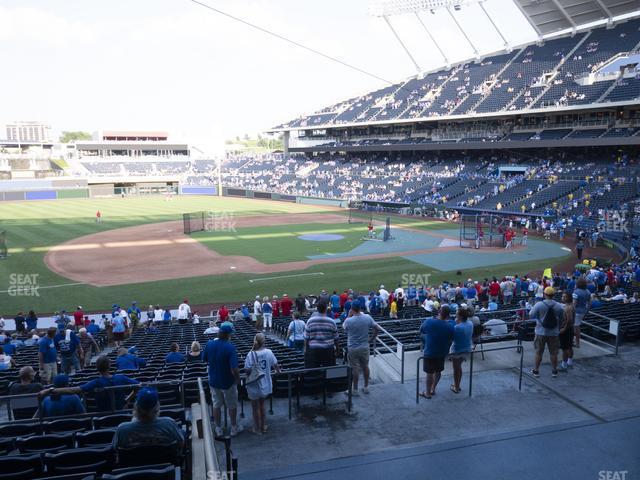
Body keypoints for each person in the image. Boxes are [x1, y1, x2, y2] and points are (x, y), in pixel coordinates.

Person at [46, 355, 139, 412]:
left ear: (97, 368)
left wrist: (50, 390)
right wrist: (127, 400)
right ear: (109, 366)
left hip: (102, 418)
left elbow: (73, 390)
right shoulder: (121, 378)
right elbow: (138, 385)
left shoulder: (95, 383)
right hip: (122, 413)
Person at [113, 387, 184, 454]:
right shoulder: (169, 423)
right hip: (167, 466)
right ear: (157, 407)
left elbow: (114, 449)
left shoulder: (122, 429)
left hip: (132, 466)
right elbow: (181, 442)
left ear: (136, 407)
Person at [203, 322, 243, 437]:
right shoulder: (230, 347)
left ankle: (218, 428)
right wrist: (238, 379)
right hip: (228, 382)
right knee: (231, 405)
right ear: (228, 334)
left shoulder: (210, 343)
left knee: (216, 405)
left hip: (214, 381)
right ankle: (234, 428)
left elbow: (204, 359)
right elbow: (234, 368)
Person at [244, 333, 280, 434]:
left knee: (255, 408)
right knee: (262, 405)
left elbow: (247, 370)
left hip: (254, 384)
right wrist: (278, 371)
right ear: (264, 341)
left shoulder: (250, 354)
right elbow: (276, 365)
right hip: (265, 384)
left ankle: (257, 428)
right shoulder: (269, 352)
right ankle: (263, 426)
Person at [342, 302, 380, 395]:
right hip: (364, 347)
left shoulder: (349, 320)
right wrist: (371, 339)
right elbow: (377, 328)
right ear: (360, 308)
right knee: (365, 366)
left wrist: (348, 315)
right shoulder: (367, 317)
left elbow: (344, 328)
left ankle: (355, 390)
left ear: (352, 308)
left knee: (355, 368)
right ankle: (366, 387)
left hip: (353, 348)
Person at [419, 305, 454, 399]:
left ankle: (427, 393)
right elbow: (451, 338)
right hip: (442, 352)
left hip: (430, 351)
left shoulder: (430, 321)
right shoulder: (450, 326)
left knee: (429, 373)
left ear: (439, 311)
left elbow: (421, 330)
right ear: (448, 315)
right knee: (438, 371)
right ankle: (433, 389)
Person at [529, 287, 564, 378]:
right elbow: (561, 320)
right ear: (553, 295)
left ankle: (536, 371)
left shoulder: (539, 304)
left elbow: (531, 315)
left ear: (545, 294)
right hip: (554, 333)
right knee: (553, 353)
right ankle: (554, 371)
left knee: (538, 352)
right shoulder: (559, 305)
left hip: (540, 332)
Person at [303, 301, 339, 368]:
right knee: (329, 373)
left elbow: (306, 338)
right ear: (325, 309)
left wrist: (306, 351)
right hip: (328, 350)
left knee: (314, 373)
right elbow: (336, 338)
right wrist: (337, 349)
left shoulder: (310, 321)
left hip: (313, 350)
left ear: (317, 309)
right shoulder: (331, 322)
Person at [450, 307, 473, 394]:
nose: (455, 314)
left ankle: (456, 387)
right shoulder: (470, 323)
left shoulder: (457, 327)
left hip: (458, 350)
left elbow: (452, 338)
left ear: (460, 316)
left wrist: (456, 324)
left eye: (457, 313)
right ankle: (457, 385)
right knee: (459, 368)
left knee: (456, 369)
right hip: (467, 348)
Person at [572, 277, 590, 348]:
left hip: (576, 312)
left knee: (576, 328)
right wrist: (587, 310)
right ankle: (573, 340)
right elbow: (589, 303)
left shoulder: (576, 292)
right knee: (575, 327)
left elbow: (574, 304)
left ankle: (577, 343)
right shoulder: (588, 291)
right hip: (583, 311)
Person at [559, 292, 575, 371]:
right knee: (569, 346)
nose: (563, 298)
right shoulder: (571, 305)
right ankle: (569, 361)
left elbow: (569, 320)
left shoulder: (568, 308)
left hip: (567, 330)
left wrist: (564, 329)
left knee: (564, 348)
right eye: (562, 296)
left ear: (569, 298)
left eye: (564, 297)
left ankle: (564, 364)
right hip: (570, 329)